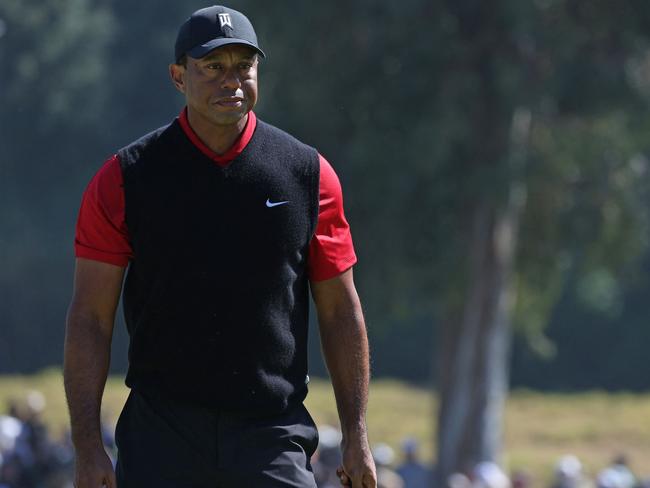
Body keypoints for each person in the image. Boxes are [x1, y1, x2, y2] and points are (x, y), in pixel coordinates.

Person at [63, 5, 376, 488]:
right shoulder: (124, 179)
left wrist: (356, 434)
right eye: (212, 66)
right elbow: (90, 319)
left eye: (243, 66)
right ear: (177, 76)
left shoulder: (310, 176)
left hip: (271, 432)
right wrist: (87, 446)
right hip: (160, 433)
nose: (231, 80)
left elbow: (340, 312)